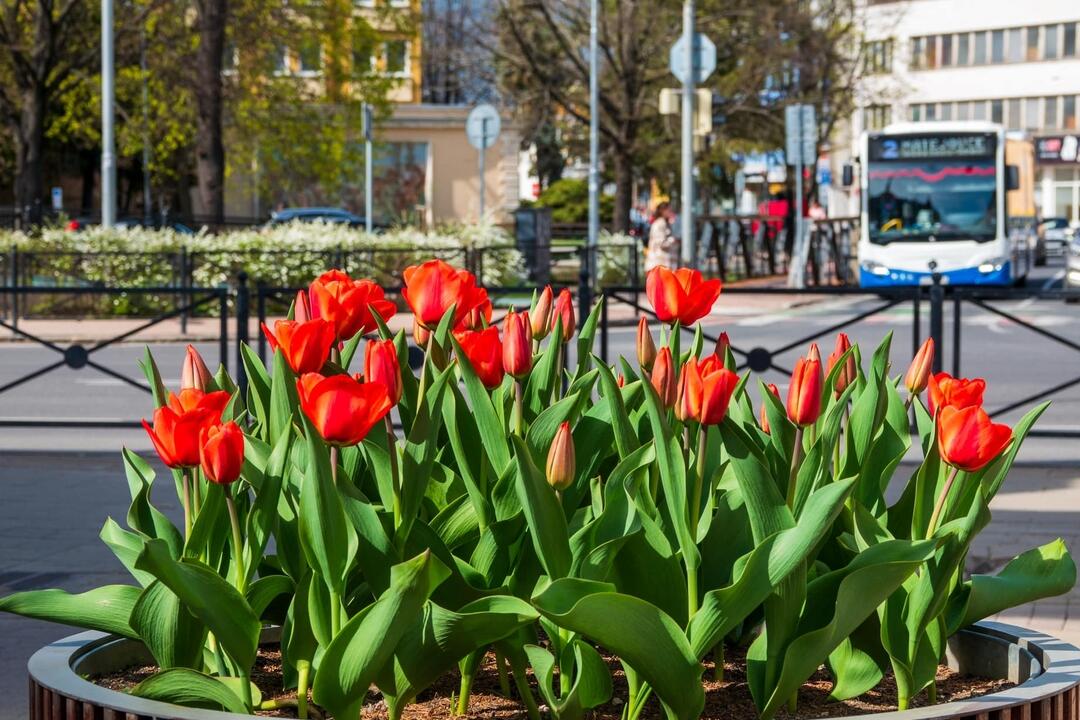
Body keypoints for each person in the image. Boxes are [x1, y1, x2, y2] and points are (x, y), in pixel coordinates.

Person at [645, 201, 680, 272]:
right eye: (669, 210)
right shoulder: (660, 224)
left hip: (662, 265)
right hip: (659, 265)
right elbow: (661, 243)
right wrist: (673, 240)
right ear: (663, 211)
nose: (671, 212)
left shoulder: (665, 223)